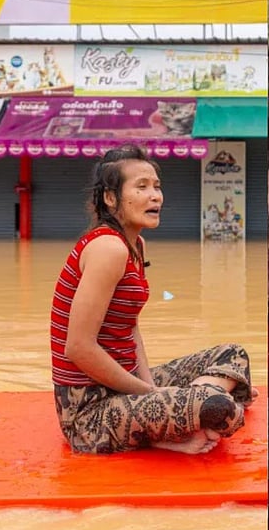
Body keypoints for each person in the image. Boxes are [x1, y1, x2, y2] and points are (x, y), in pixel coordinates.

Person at [50, 144, 254, 456]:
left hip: (124, 383)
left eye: (157, 186)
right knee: (220, 407)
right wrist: (153, 394)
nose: (155, 196)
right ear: (110, 198)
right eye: (142, 187)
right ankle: (185, 418)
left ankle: (182, 417)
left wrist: (154, 393)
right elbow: (78, 347)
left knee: (233, 354)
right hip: (88, 415)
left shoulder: (135, 244)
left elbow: (130, 328)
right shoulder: (108, 248)